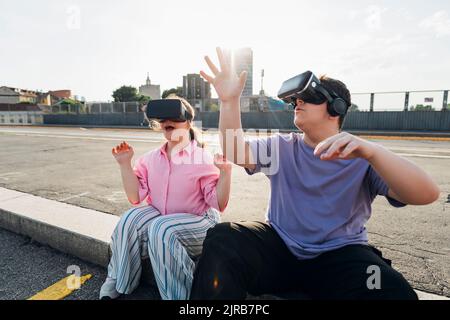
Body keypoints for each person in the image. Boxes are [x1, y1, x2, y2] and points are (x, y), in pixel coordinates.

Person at [190, 48, 441, 300]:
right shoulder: (282, 146)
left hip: (340, 255)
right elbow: (236, 151)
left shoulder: (363, 157)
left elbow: (426, 194)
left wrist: (374, 152)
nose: (298, 102)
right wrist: (228, 101)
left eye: (308, 97)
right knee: (224, 237)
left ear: (336, 107)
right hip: (280, 249)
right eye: (296, 99)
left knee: (390, 287)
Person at [100, 95, 232, 300]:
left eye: (174, 117)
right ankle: (118, 279)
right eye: (162, 119)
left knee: (161, 228)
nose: (166, 122)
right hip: (162, 218)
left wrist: (225, 173)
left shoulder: (201, 158)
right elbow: (135, 198)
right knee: (129, 220)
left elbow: (219, 203)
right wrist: (125, 165)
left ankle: (179, 297)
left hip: (200, 222)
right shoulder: (151, 159)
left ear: (188, 122)